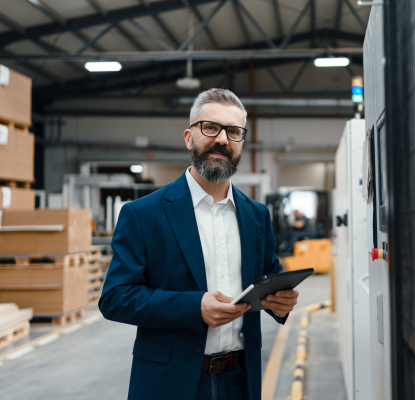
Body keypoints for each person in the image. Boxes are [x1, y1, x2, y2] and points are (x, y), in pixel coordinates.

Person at [99, 88, 299, 400]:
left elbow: (269, 278)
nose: (222, 139)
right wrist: (194, 307)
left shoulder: (256, 216)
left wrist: (281, 302)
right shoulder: (143, 214)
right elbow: (115, 298)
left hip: (240, 380)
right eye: (210, 128)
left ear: (241, 144)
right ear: (189, 137)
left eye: (233, 132)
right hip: (170, 383)